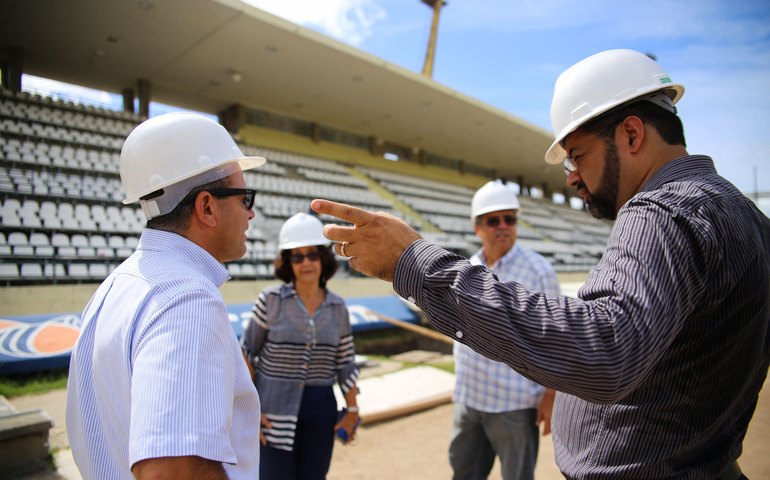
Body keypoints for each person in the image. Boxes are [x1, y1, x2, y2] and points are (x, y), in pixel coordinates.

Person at [310, 49, 770, 479]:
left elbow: (603, 347)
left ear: (631, 134)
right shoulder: (748, 217)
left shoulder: (662, 209)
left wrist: (414, 262)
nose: (570, 176)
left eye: (576, 154)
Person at [66, 113, 264, 480]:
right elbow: (173, 470)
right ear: (207, 206)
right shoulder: (187, 299)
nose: (251, 212)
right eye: (245, 197)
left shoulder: (117, 285)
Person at [449, 180, 559, 480]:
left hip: (515, 402)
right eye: (493, 220)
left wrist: (551, 393)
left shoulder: (538, 272)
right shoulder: (467, 269)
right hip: (470, 398)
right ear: (477, 228)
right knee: (464, 473)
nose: (503, 226)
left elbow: (554, 338)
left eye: (509, 218)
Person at [241, 212, 360, 480]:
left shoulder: (338, 307)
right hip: (272, 413)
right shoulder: (269, 301)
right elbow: (246, 353)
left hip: (321, 412)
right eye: (297, 256)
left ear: (323, 258)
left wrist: (352, 410)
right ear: (288, 262)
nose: (306, 262)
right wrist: (249, 410)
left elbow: (345, 363)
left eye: (313, 254)